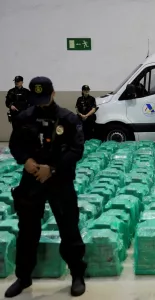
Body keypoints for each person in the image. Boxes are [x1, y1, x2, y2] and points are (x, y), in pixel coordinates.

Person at [5, 77, 87, 298]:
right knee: (28, 231)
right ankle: (23, 277)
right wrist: (26, 161)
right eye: (36, 99)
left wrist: (51, 168)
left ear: (53, 94)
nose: (41, 103)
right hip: (31, 181)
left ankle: (77, 275)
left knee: (69, 228)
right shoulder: (23, 118)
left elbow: (76, 150)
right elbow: (15, 144)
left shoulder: (68, 119)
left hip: (59, 180)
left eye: (44, 98)